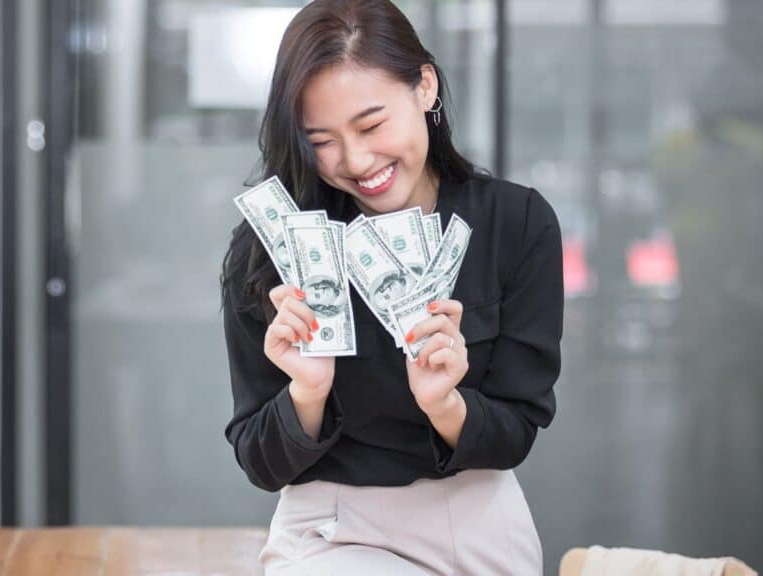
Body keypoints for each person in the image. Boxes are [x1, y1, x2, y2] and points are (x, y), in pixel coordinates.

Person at [220, 1, 563, 574]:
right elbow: (260, 461)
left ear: (424, 86)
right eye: (320, 140)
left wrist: (445, 405)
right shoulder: (268, 251)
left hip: (479, 520)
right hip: (333, 532)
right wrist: (307, 393)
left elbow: (517, 430)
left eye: (371, 124)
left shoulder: (518, 224)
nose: (355, 161)